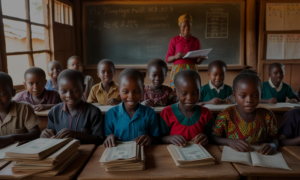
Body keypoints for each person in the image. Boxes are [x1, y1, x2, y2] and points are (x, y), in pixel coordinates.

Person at [211, 72, 278, 155]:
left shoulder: (268, 116)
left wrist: (273, 145)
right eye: (243, 95)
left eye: (255, 95)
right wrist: (229, 141)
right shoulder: (225, 115)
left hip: (261, 158)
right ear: (234, 96)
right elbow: (213, 137)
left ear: (260, 95)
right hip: (234, 160)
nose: (249, 100)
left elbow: (274, 138)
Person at [41, 69, 104, 145]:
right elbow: (51, 134)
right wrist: (45, 134)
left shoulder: (94, 112)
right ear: (58, 90)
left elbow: (99, 140)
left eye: (75, 90)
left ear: (83, 88)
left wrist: (77, 134)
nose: (69, 95)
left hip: (86, 153)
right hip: (61, 153)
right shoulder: (54, 112)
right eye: (64, 91)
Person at [103, 68, 159, 147]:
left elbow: (156, 138)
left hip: (143, 154)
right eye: (125, 91)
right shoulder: (111, 114)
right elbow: (107, 136)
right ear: (118, 91)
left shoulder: (150, 113)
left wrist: (149, 138)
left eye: (136, 91)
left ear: (142, 90)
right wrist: (109, 137)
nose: (131, 96)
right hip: (119, 155)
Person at [160, 70, 213, 147]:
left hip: (199, 155)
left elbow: (210, 137)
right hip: (175, 155)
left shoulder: (206, 114)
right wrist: (169, 138)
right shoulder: (167, 112)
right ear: (175, 92)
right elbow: (159, 138)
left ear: (200, 90)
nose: (190, 98)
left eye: (195, 93)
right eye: (184, 93)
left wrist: (205, 138)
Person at [166, 13, 206, 89]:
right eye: (184, 26)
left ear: (191, 27)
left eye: (189, 26)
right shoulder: (174, 40)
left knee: (192, 88)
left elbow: (198, 62)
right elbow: (167, 59)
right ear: (180, 27)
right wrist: (175, 56)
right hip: (178, 70)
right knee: (177, 89)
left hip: (192, 69)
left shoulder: (195, 40)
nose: (186, 28)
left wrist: (200, 59)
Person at [0, 72, 40, 148]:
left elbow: (35, 133)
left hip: (22, 153)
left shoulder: (24, 108)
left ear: (13, 93)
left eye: (2, 93)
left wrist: (12, 138)